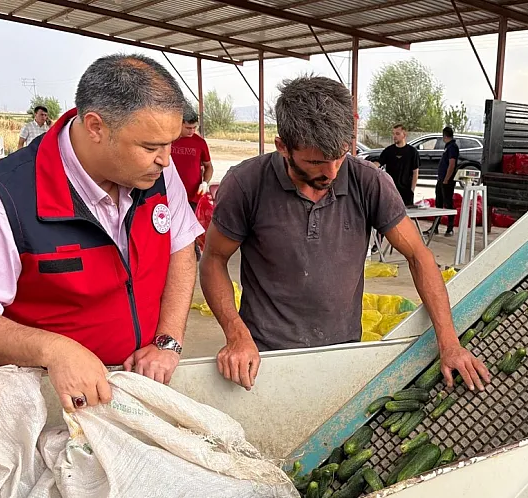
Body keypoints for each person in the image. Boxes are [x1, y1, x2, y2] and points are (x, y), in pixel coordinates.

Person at [200, 76, 490, 393]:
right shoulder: (246, 183)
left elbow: (418, 256)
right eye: (315, 162)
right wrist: (235, 333)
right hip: (264, 354)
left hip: (343, 350)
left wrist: (449, 342)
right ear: (283, 146)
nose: (332, 172)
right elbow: (214, 259)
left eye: (340, 155)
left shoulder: (369, 182)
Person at [0, 54, 204, 413]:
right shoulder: (1, 199)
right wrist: (53, 350)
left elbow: (181, 246)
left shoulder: (158, 172)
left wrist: (168, 341)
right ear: (96, 127)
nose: (166, 159)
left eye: (169, 143)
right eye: (150, 147)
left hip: (133, 387)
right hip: (42, 402)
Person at [171, 105, 214, 208]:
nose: (192, 131)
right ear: (179, 124)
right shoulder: (169, 139)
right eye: (188, 128)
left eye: (194, 127)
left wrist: (205, 183)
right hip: (170, 193)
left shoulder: (200, 143)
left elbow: (208, 166)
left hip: (192, 196)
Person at [375, 124, 419, 206]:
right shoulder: (388, 151)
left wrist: (412, 190)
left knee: (406, 216)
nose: (394, 136)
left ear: (404, 135)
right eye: (393, 133)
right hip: (391, 190)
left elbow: (415, 172)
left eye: (397, 134)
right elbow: (378, 163)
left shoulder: (412, 152)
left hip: (406, 192)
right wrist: (367, 166)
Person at [433, 126, 459, 237]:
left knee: (448, 203)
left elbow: (452, 164)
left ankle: (450, 227)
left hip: (446, 180)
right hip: (441, 179)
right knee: (438, 203)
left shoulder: (452, 147)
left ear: (444, 135)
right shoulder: (447, 147)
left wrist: (447, 179)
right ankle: (435, 226)